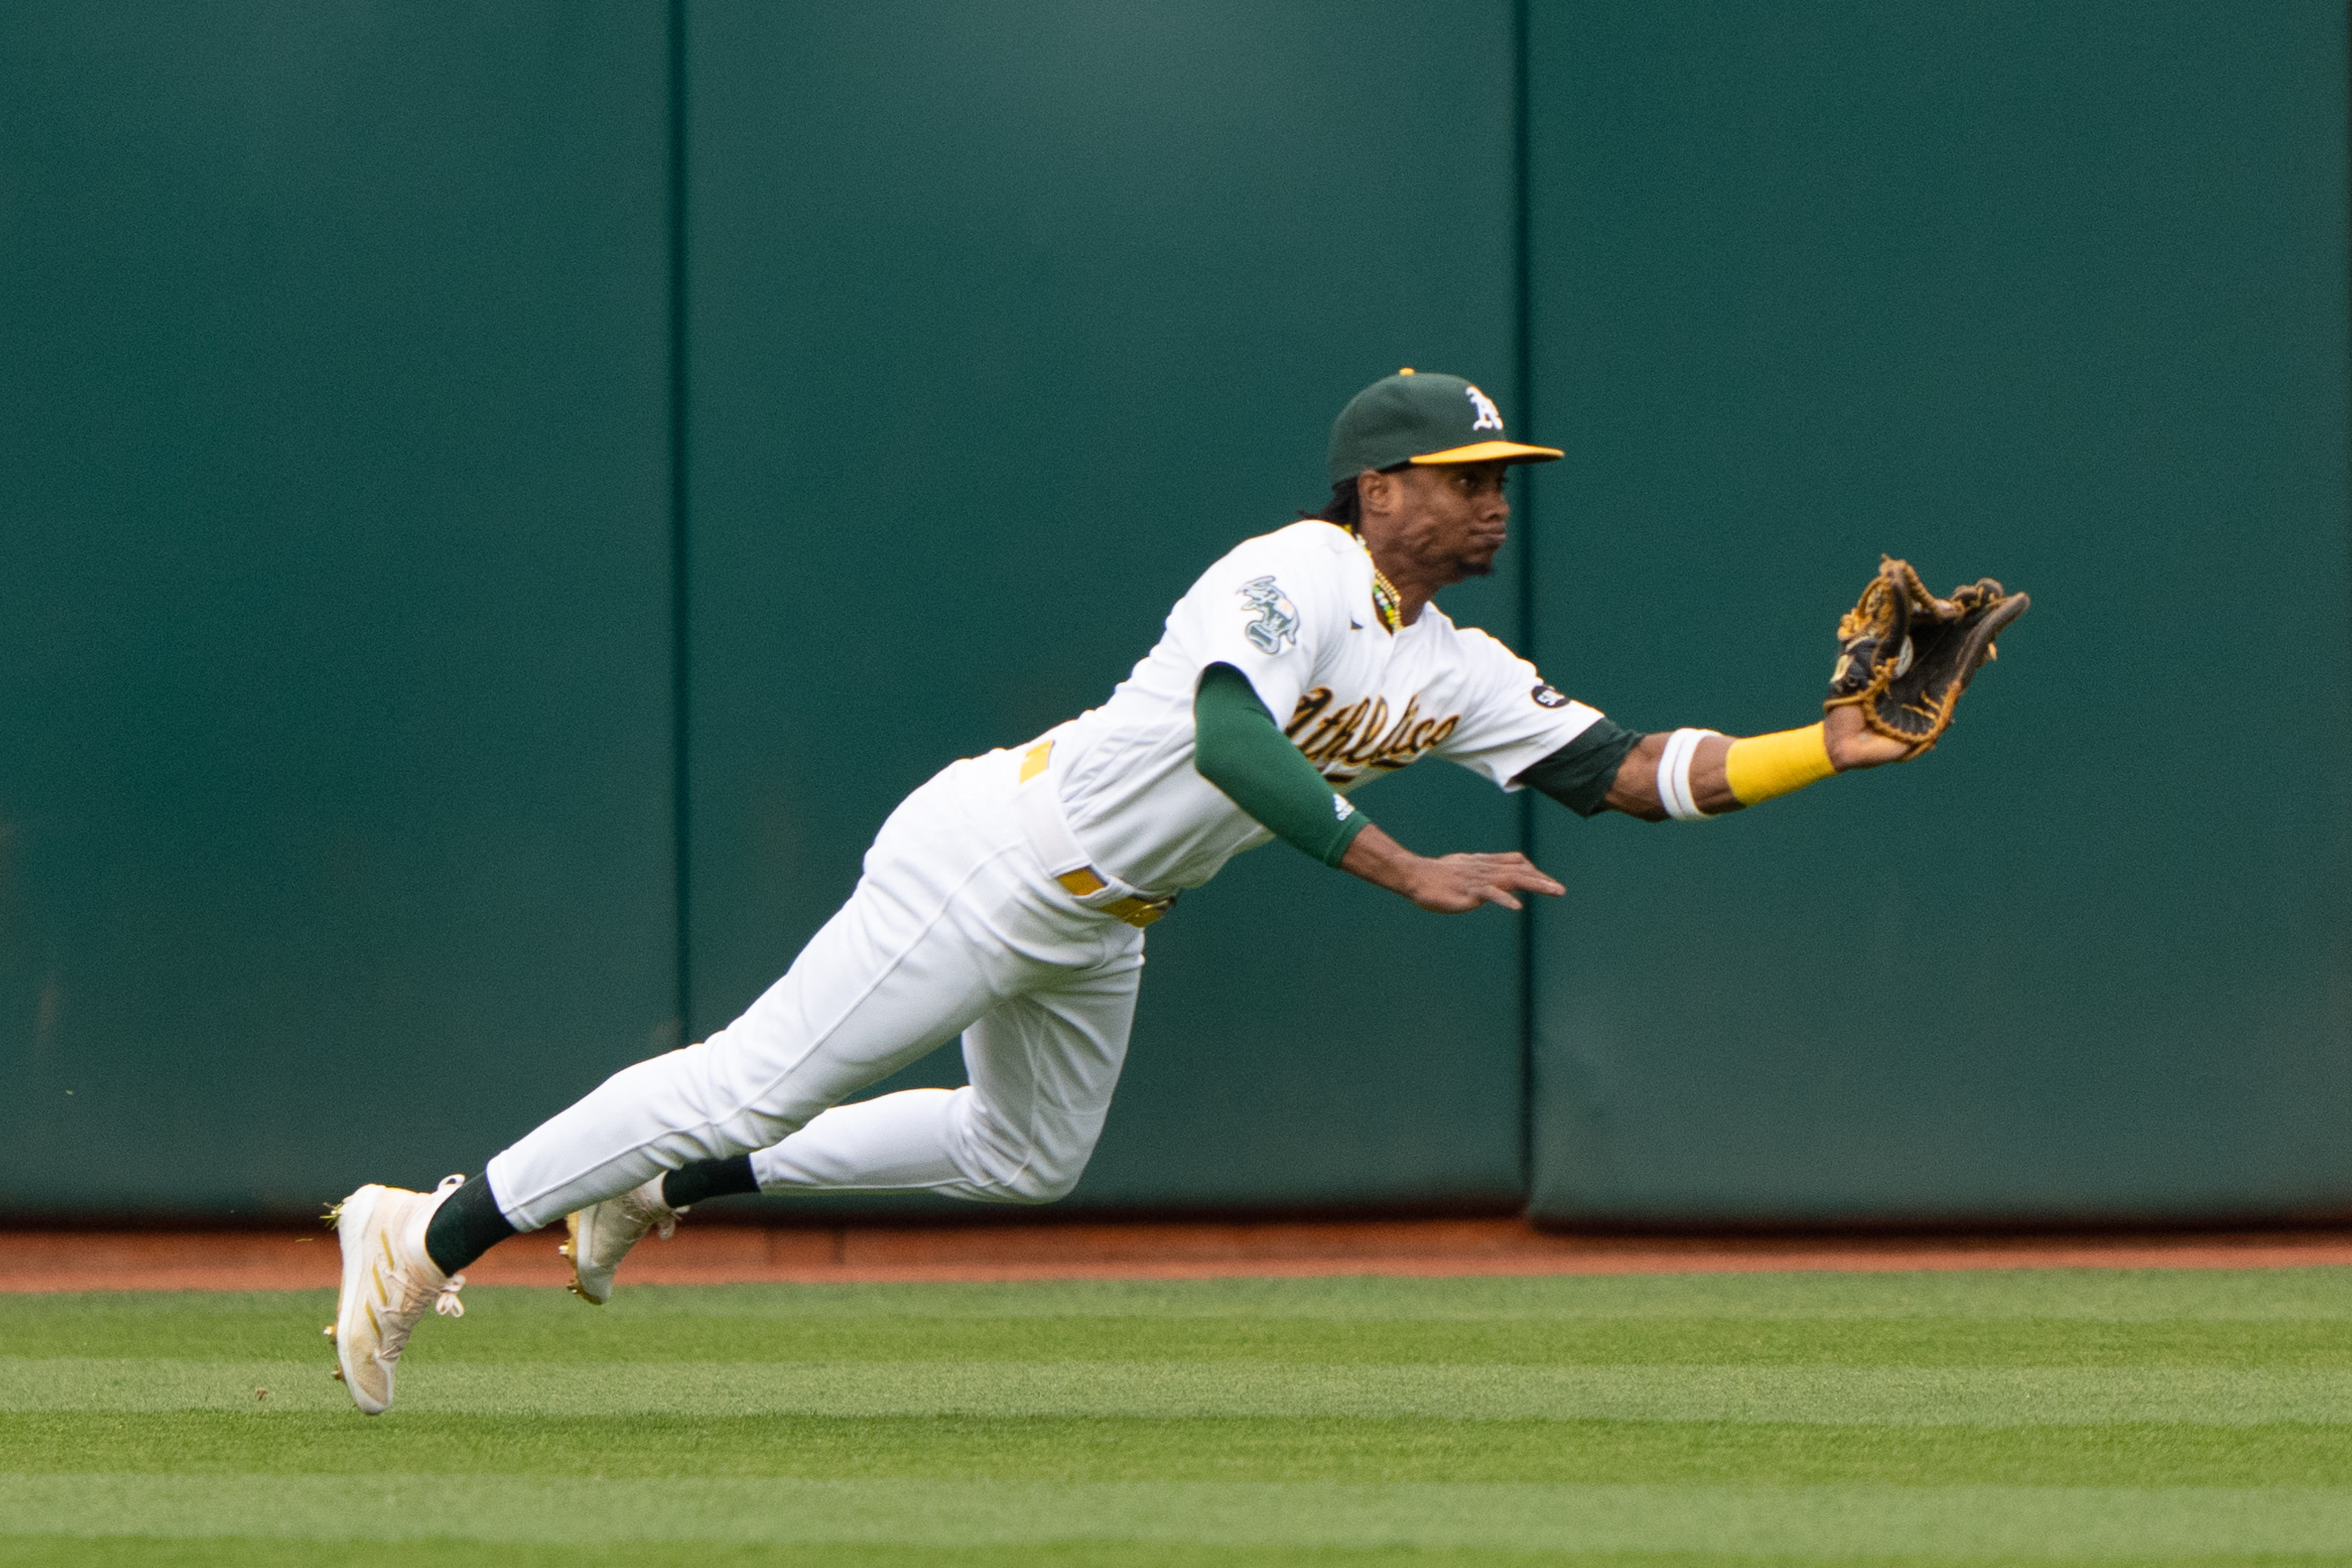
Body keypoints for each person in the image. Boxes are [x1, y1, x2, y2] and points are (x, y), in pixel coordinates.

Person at [325, 369, 1954, 1413]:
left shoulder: (1453, 667)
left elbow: (1622, 771)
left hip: (1101, 918)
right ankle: (431, 1226)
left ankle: (668, 1189)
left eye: (1498, 471)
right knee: (749, 1070)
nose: (1490, 495)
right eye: (1460, 472)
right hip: (995, 860)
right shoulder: (1291, 572)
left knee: (1023, 1153)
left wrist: (1833, 741)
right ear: (1376, 488)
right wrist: (1392, 862)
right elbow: (1232, 735)